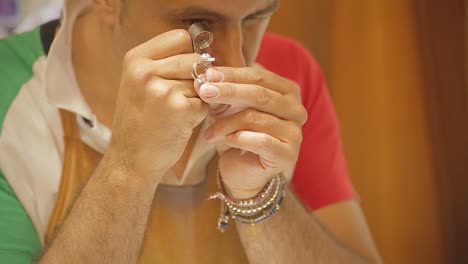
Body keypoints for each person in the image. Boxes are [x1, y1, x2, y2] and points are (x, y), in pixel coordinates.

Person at [0, 0, 382, 263]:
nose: (236, 61)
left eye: (255, 17)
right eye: (195, 22)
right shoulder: (8, 93)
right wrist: (127, 170)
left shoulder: (288, 73)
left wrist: (261, 198)